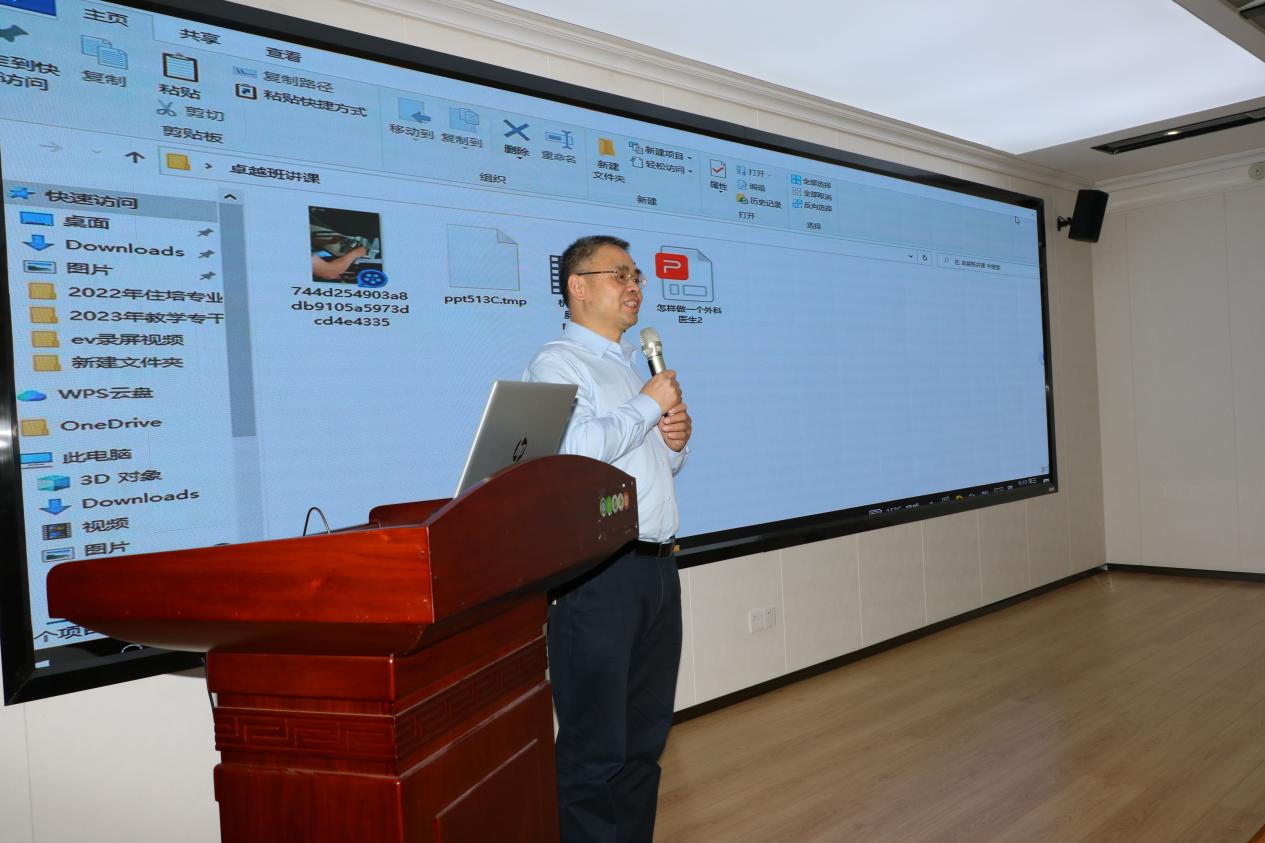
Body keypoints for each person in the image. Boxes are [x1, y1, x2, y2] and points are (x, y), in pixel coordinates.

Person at [524, 234, 693, 843]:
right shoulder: (557, 364)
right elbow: (573, 454)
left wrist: (672, 444)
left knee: (644, 743)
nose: (634, 286)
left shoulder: (629, 365)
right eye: (618, 274)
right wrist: (648, 408)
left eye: (637, 276)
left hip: (656, 570)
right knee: (594, 750)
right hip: (598, 578)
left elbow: (644, 470)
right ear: (578, 286)